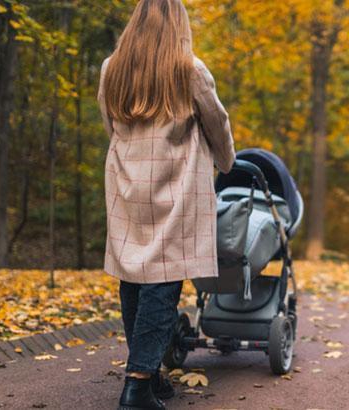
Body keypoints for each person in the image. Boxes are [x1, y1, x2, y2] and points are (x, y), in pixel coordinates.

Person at [98, 0, 235, 408]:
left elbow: (110, 122)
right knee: (163, 279)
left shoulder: (112, 67)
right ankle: (137, 383)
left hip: (126, 183)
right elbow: (217, 123)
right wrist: (226, 162)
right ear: (179, 22)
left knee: (134, 275)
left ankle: (148, 372)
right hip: (174, 185)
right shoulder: (189, 69)